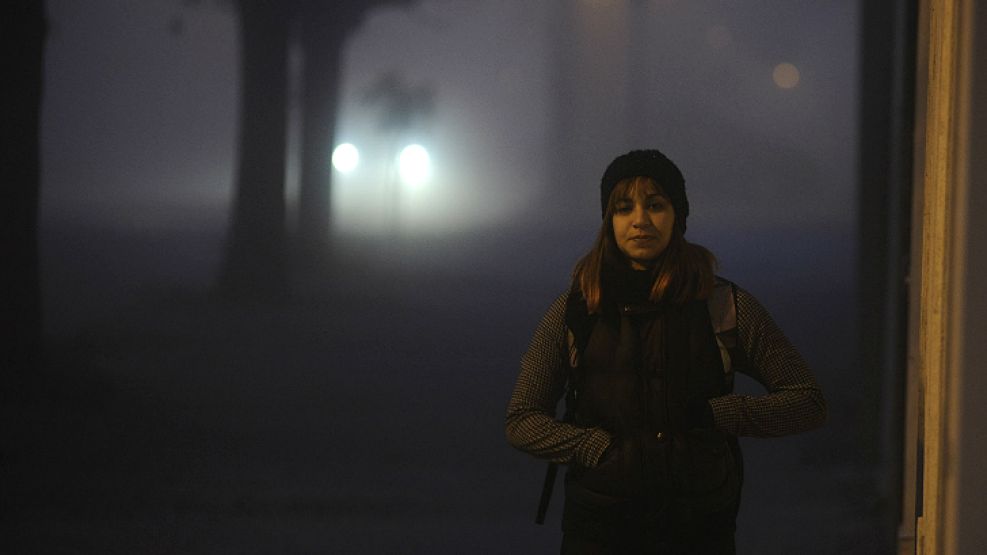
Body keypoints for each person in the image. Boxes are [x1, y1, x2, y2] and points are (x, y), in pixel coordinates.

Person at [505, 149, 827, 554]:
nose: (640, 220)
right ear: (609, 220)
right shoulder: (577, 309)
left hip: (698, 529)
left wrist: (719, 415)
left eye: (655, 205)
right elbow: (522, 419)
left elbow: (807, 401)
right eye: (624, 208)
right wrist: (593, 448)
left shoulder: (722, 305)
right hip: (600, 531)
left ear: (678, 215)